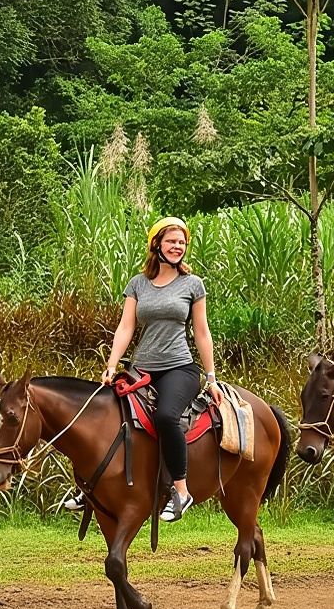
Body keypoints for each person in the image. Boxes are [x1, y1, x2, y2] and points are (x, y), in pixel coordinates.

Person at [65, 216, 222, 521]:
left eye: (182, 242)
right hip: (142, 369)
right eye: (172, 241)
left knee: (166, 417)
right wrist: (112, 365)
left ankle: (181, 491)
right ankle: (90, 487)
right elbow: (126, 326)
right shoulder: (138, 284)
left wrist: (212, 377)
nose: (178, 247)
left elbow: (202, 333)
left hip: (180, 368)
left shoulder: (193, 285)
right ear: (156, 244)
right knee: (103, 415)